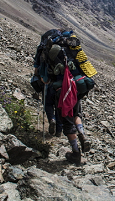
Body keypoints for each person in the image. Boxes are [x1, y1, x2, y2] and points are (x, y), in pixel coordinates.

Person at [34, 29, 92, 165]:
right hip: (77, 85)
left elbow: (43, 78)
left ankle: (76, 153)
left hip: (61, 90)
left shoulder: (45, 50)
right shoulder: (70, 47)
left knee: (66, 120)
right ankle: (82, 134)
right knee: (76, 113)